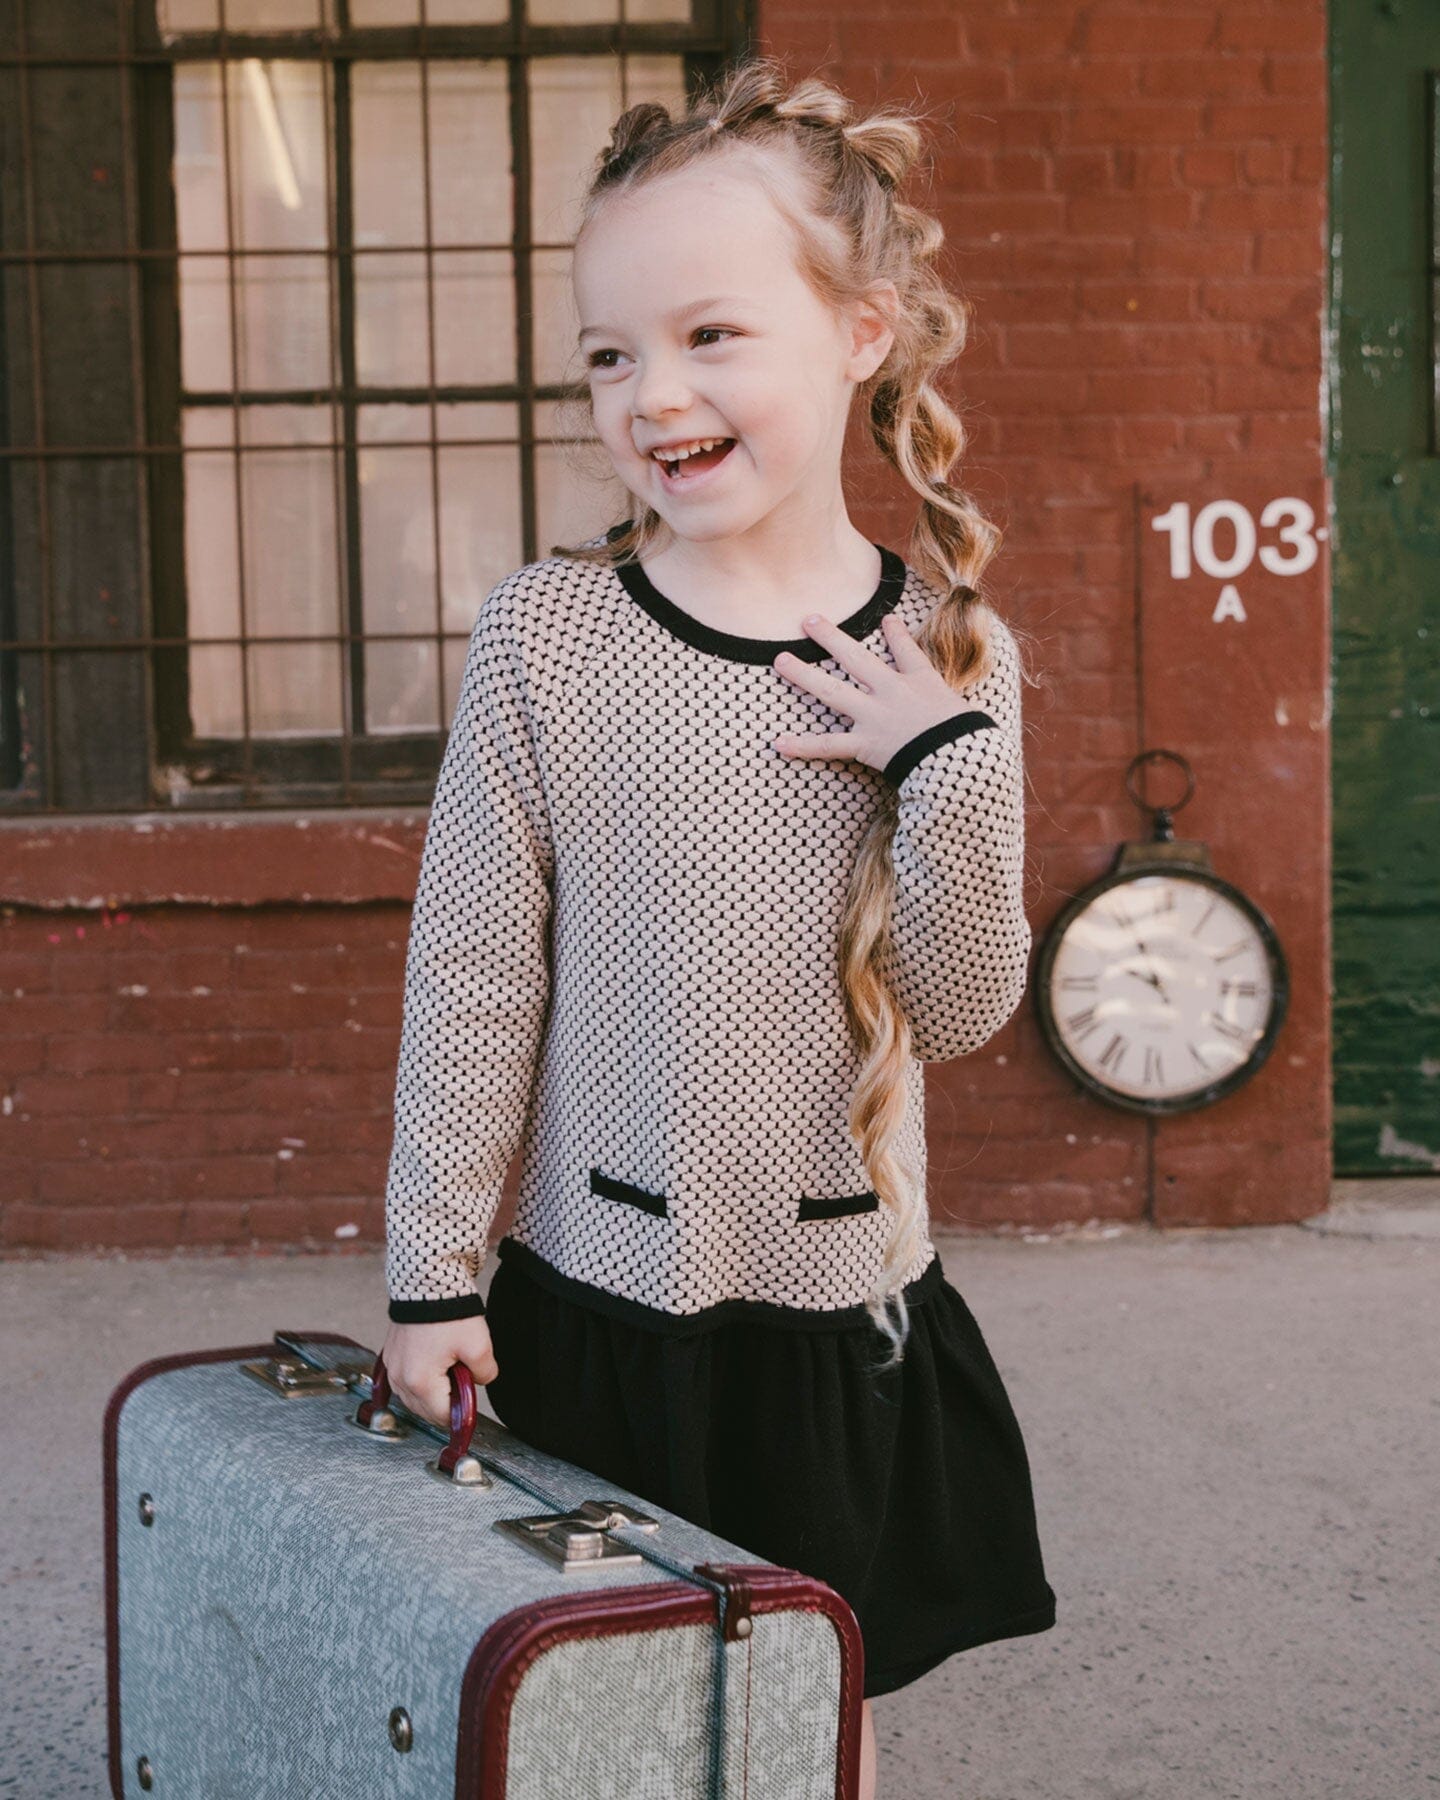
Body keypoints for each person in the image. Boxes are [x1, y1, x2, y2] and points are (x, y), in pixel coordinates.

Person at [380, 52, 1057, 1798]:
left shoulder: (948, 660)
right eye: (609, 352)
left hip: (834, 1307)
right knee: (586, 1715)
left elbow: (967, 1008)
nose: (647, 393)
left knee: (810, 1718)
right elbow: (472, 972)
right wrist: (430, 1273)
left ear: (862, 332)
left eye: (707, 335)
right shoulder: (550, 639)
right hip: (589, 1298)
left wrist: (942, 763)